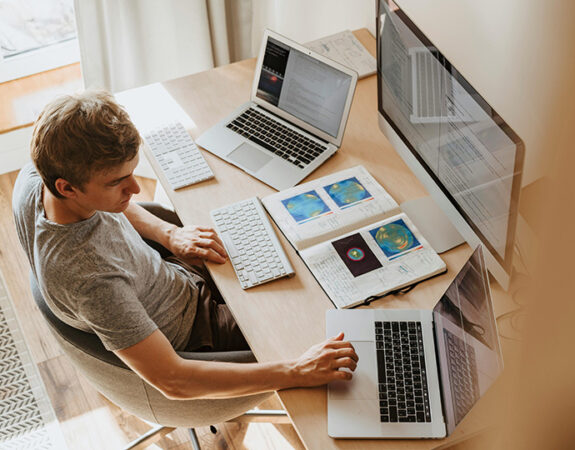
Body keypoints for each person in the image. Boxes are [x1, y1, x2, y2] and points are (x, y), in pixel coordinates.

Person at [12, 90, 358, 400]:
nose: (134, 190)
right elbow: (174, 380)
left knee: (290, 247)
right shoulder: (90, 281)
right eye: (118, 182)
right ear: (67, 187)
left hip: (173, 279)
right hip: (198, 335)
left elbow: (116, 203)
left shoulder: (37, 179)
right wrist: (296, 372)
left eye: (133, 173)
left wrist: (169, 235)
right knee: (330, 325)